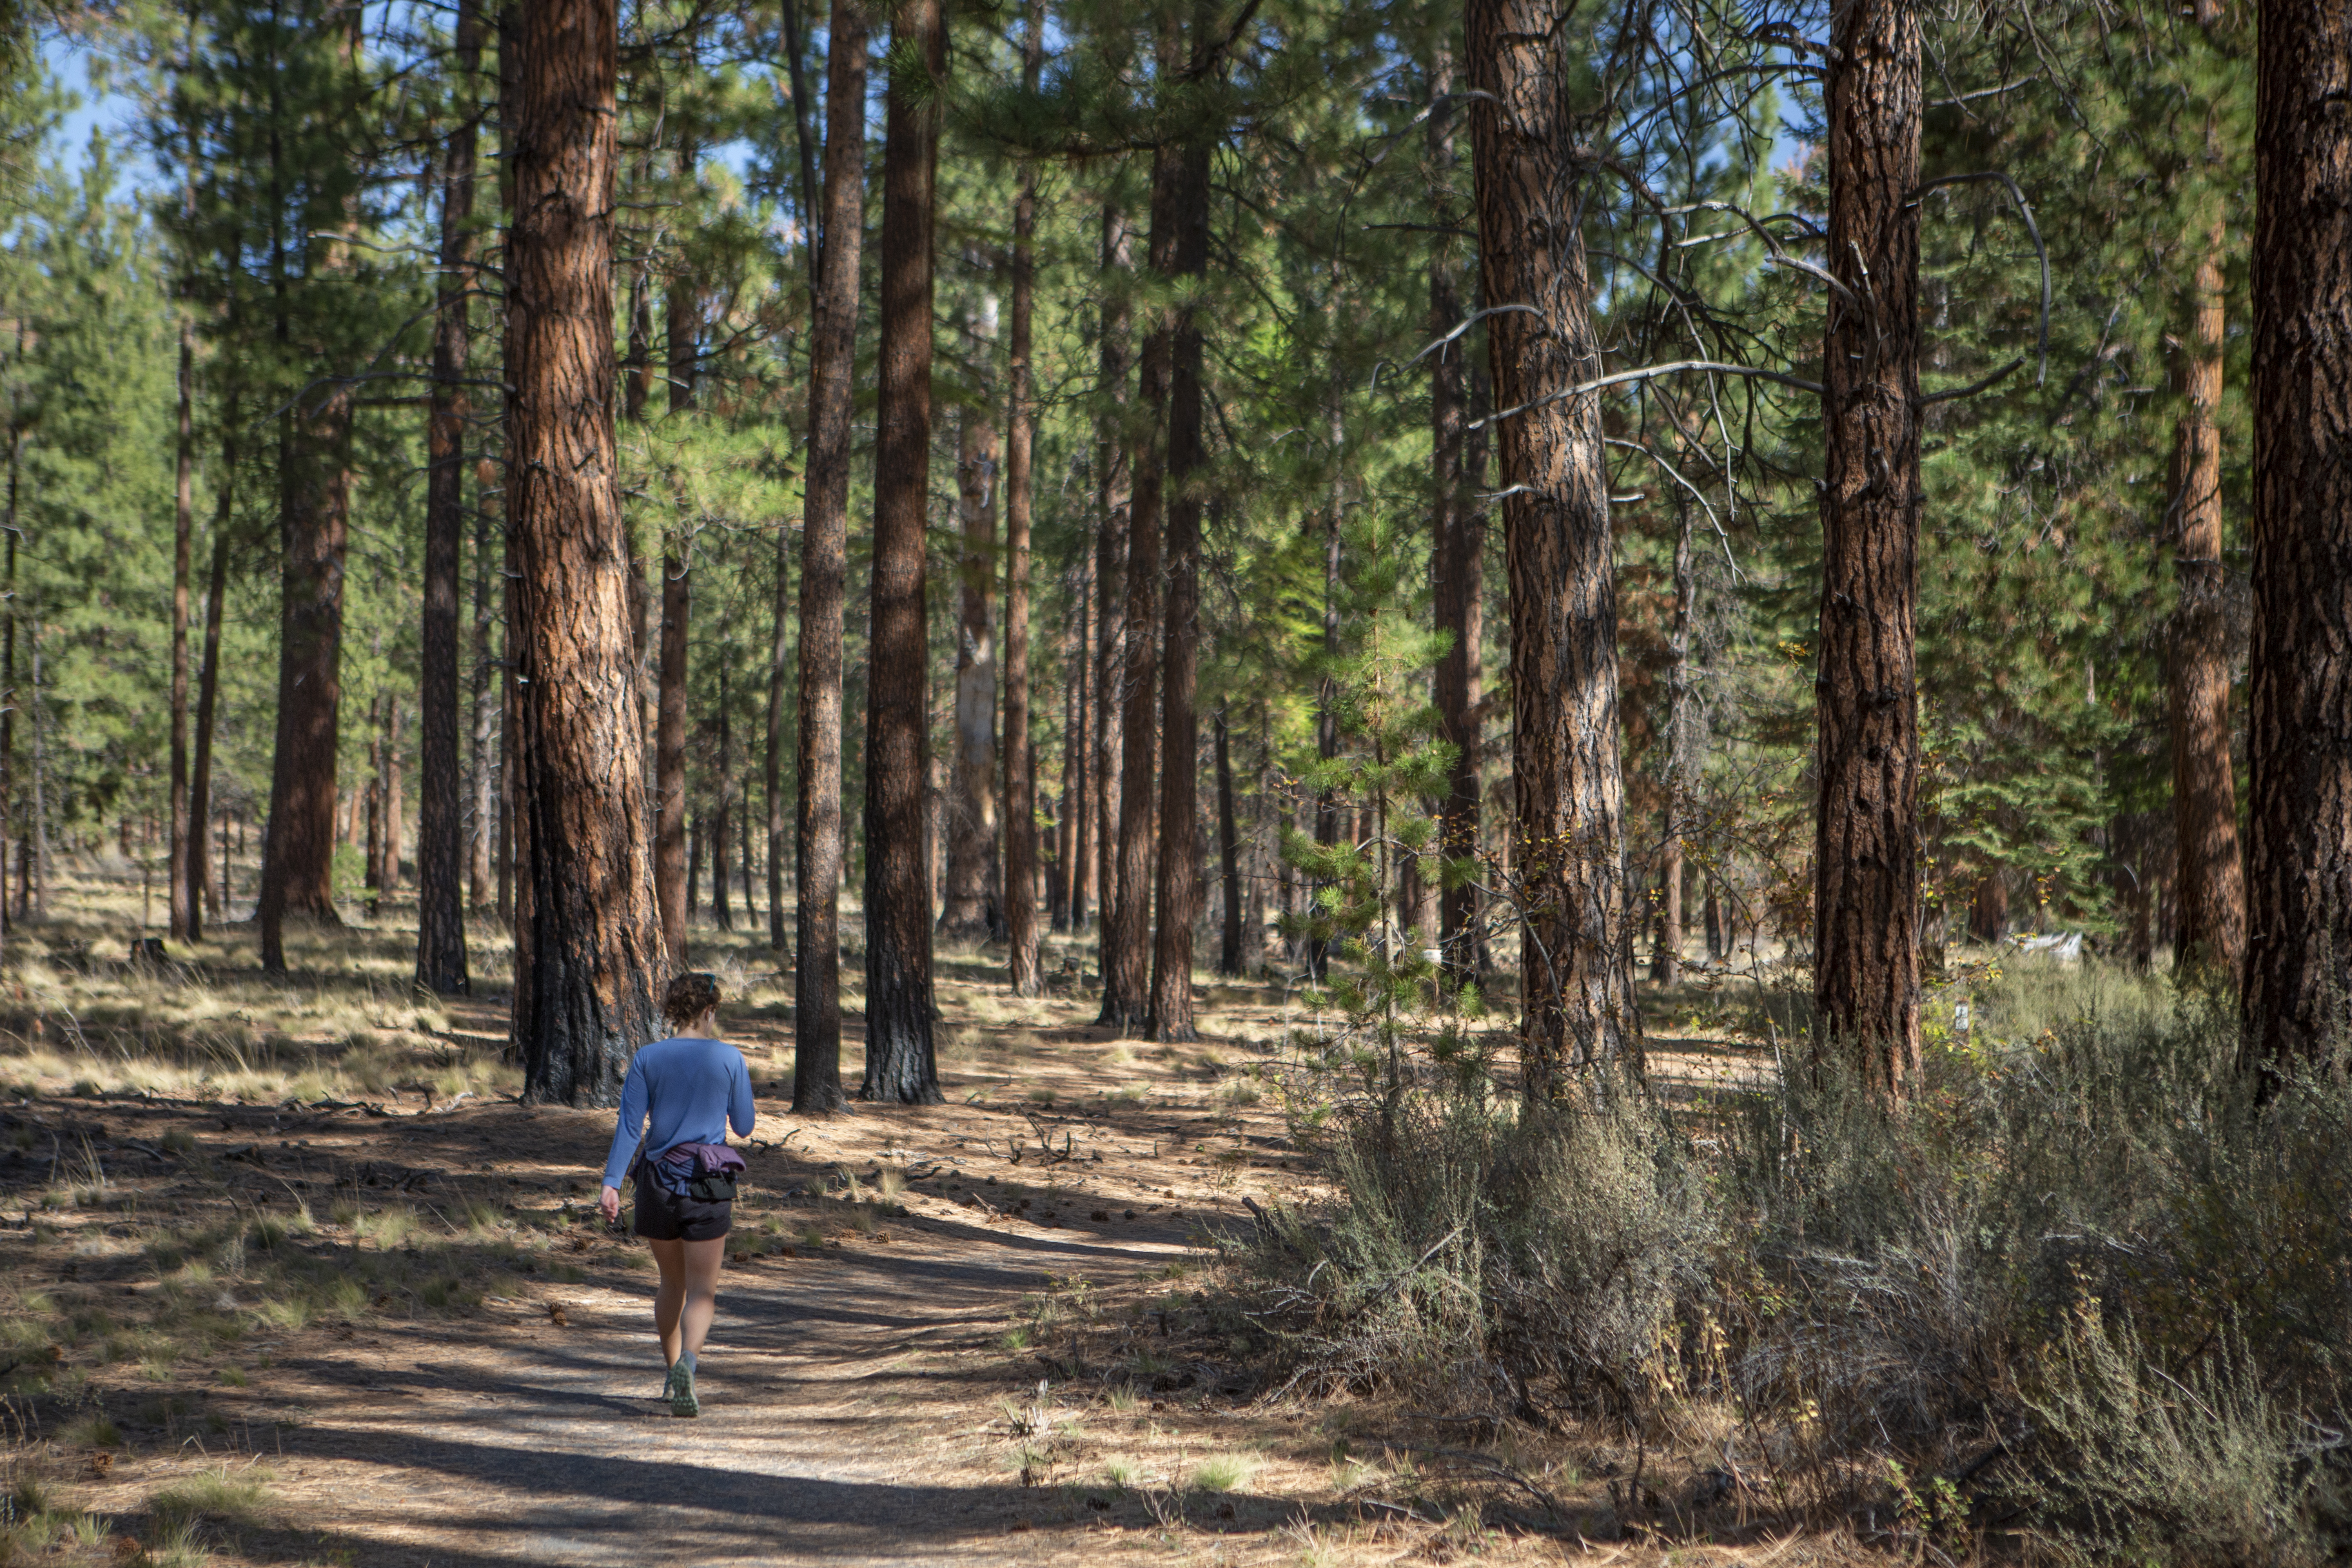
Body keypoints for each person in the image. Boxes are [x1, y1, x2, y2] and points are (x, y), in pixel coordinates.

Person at [598, 971, 754, 1417]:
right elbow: (743, 1126)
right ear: (710, 1010)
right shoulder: (730, 1058)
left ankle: (671, 1374)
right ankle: (690, 1361)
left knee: (672, 1283)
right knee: (703, 1290)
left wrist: (611, 1184)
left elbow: (630, 1128)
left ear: (672, 1011)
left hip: (657, 1183)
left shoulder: (648, 1058)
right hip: (707, 1184)